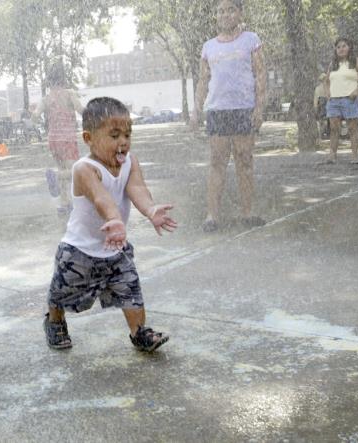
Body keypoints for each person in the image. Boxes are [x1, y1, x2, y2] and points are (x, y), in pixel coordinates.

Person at [44, 97, 177, 352]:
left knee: (130, 289)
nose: (123, 142)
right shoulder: (84, 168)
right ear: (88, 138)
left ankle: (140, 332)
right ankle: (54, 321)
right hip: (79, 251)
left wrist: (150, 210)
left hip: (115, 247)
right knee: (62, 291)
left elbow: (136, 187)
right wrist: (114, 219)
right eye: (114, 135)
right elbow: (100, 196)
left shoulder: (129, 162)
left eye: (127, 134)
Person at [191, 0, 267, 232]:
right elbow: (203, 81)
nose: (225, 15)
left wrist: (259, 108)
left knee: (244, 162)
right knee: (217, 163)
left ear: (239, 12)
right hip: (217, 110)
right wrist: (196, 110)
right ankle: (211, 216)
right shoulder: (208, 47)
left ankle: (248, 213)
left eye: (230, 10)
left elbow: (261, 74)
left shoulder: (251, 40)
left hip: (244, 108)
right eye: (220, 11)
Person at [31, 62, 84, 216]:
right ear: (63, 79)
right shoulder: (69, 94)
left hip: (53, 139)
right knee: (74, 170)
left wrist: (32, 115)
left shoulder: (46, 98)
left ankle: (65, 202)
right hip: (67, 138)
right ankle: (55, 177)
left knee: (63, 168)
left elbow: (35, 116)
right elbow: (80, 109)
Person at [324, 37, 358, 165]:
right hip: (334, 101)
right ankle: (332, 155)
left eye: (344, 46)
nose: (341, 49)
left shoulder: (356, 62)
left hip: (350, 99)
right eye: (338, 47)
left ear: (349, 47)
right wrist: (328, 94)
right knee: (333, 129)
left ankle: (354, 156)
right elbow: (326, 81)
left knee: (352, 129)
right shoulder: (333, 64)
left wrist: (357, 92)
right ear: (335, 50)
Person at [314, 73, 329, 139]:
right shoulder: (328, 87)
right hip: (324, 105)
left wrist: (315, 107)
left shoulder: (318, 88)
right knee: (325, 121)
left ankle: (321, 134)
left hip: (321, 105)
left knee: (322, 121)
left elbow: (315, 100)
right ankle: (322, 134)